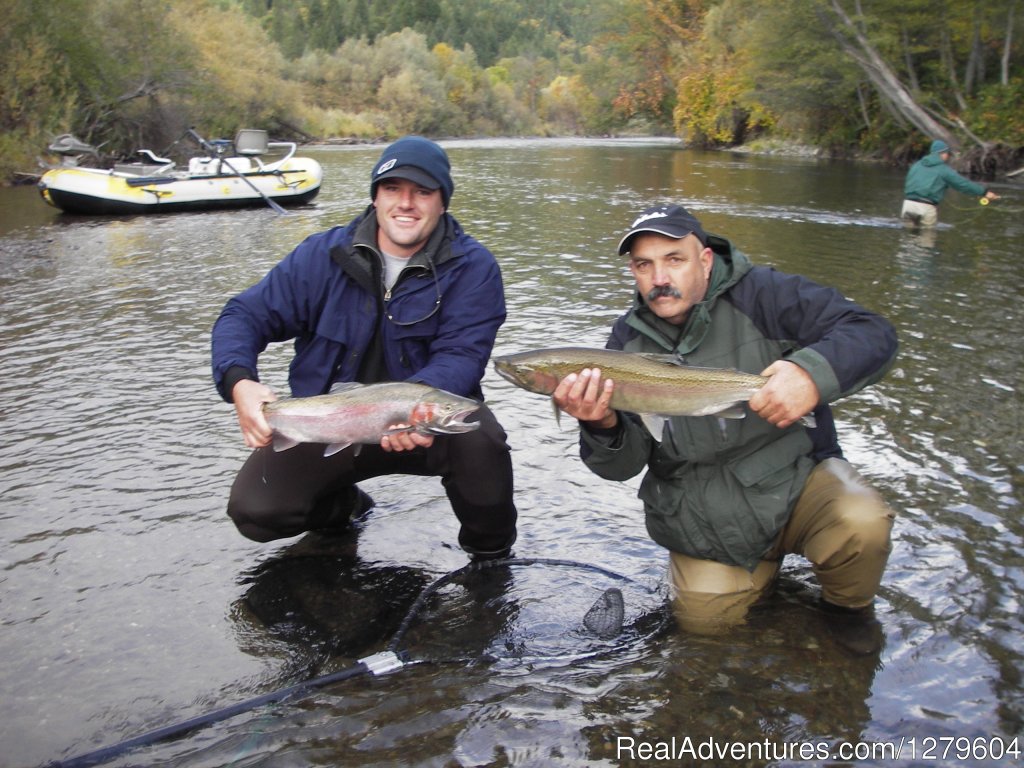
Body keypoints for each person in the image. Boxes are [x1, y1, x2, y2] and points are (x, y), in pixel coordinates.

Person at [552, 204, 898, 654]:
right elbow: (621, 467)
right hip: (705, 517)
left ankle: (847, 612)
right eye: (643, 265)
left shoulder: (766, 295)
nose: (659, 278)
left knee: (862, 523)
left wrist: (811, 375)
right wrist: (600, 423)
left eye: (673, 259)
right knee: (706, 630)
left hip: (795, 482)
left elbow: (873, 332)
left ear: (705, 260)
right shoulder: (625, 345)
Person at [211, 136, 517, 560]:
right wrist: (239, 382)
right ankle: (343, 512)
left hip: (427, 426)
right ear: (375, 197)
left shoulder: (473, 268)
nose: (406, 203)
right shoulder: (321, 257)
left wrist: (414, 415)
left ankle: (490, 560)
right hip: (329, 424)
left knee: (482, 442)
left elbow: (462, 356)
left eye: (422, 192)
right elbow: (242, 316)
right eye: (393, 189)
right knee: (256, 511)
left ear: (442, 203)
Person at [901, 139, 999, 226]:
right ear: (942, 154)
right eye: (947, 154)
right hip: (926, 207)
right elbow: (963, 184)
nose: (948, 156)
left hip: (908, 205)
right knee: (926, 239)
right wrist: (984, 192)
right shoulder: (943, 170)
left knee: (908, 240)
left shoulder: (916, 165)